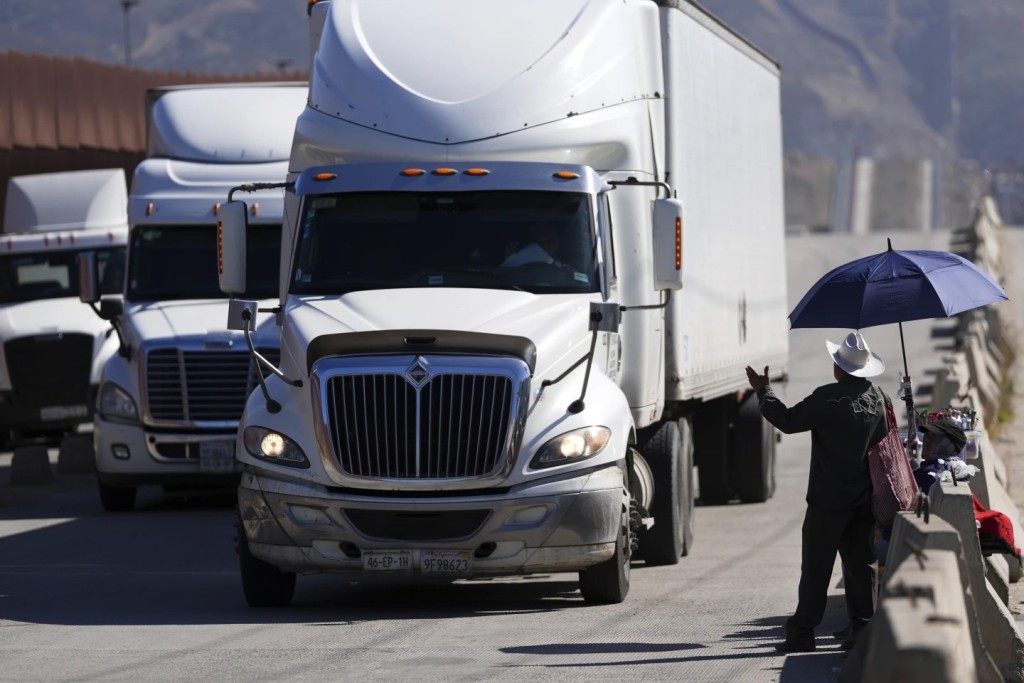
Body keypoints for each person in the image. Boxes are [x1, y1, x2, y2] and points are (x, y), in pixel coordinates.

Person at [745, 331, 889, 653]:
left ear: (839, 368)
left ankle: (802, 634)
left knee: (816, 569)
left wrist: (764, 391)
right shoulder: (880, 398)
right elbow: (884, 447)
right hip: (864, 501)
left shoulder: (827, 398)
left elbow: (787, 420)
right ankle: (862, 634)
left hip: (827, 502)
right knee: (860, 567)